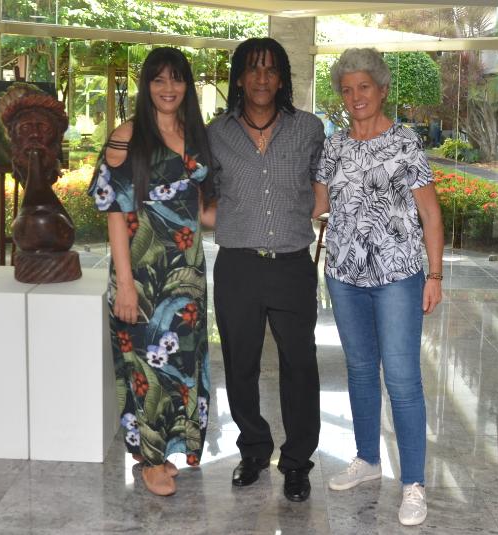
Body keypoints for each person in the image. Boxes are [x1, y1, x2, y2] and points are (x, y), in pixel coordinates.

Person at [312, 47, 444, 527]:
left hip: (398, 276)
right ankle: (368, 459)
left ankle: (414, 484)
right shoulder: (334, 146)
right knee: (361, 370)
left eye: (364, 87)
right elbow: (317, 205)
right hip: (344, 275)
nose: (356, 97)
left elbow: (430, 213)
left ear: (382, 90)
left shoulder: (405, 142)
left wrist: (435, 275)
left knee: (403, 378)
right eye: (347, 89)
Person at [88, 47, 215, 497]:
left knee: (180, 367)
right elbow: (115, 214)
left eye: (176, 79)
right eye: (158, 79)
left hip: (187, 276)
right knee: (144, 369)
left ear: (187, 86)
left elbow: (201, 211)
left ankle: (166, 450)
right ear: (146, 86)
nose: (168, 88)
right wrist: (125, 285)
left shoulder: (195, 135)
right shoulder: (127, 136)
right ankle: (149, 460)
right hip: (141, 278)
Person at [207, 37, 325, 503]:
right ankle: (254, 450)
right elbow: (201, 193)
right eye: (253, 69)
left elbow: (322, 187)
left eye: (271, 70)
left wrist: (296, 219)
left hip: (292, 264)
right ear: (239, 77)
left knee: (301, 366)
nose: (262, 78)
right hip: (237, 266)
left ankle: (296, 462)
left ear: (282, 79)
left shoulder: (309, 128)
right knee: (240, 364)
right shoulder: (216, 133)